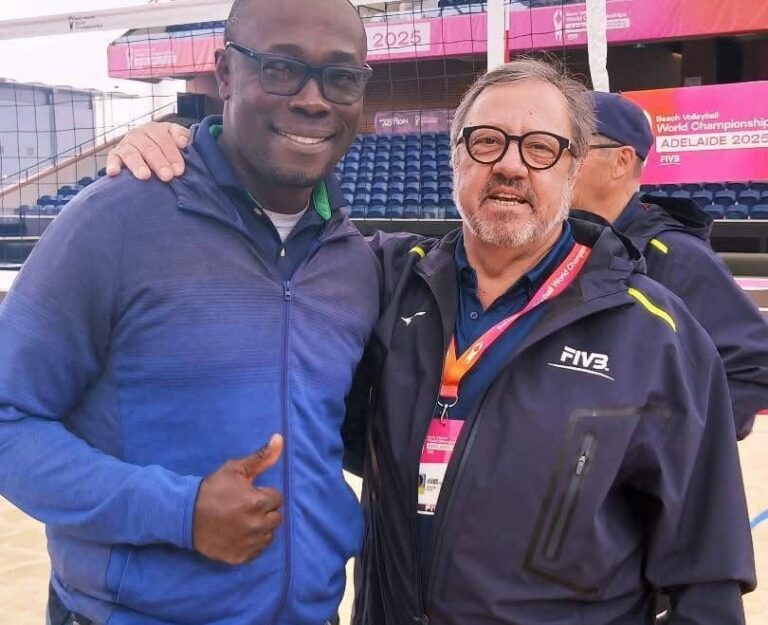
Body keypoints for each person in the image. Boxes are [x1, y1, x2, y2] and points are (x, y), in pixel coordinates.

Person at [107, 60, 756, 623]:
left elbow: (706, 578)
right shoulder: (386, 278)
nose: (507, 163)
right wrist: (188, 156)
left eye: (539, 147)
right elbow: (260, 247)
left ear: (570, 168)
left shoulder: (657, 334)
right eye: (485, 142)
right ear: (454, 158)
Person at [0, 0, 379, 624]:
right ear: (225, 74)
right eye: (282, 68)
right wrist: (177, 511)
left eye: (340, 76)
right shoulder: (115, 221)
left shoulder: (353, 263)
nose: (314, 100)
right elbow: (10, 419)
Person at [570, 91, 768, 439]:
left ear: (621, 161)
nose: (555, 160)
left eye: (572, 147)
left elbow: (752, 368)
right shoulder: (558, 246)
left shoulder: (676, 255)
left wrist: (657, 448)